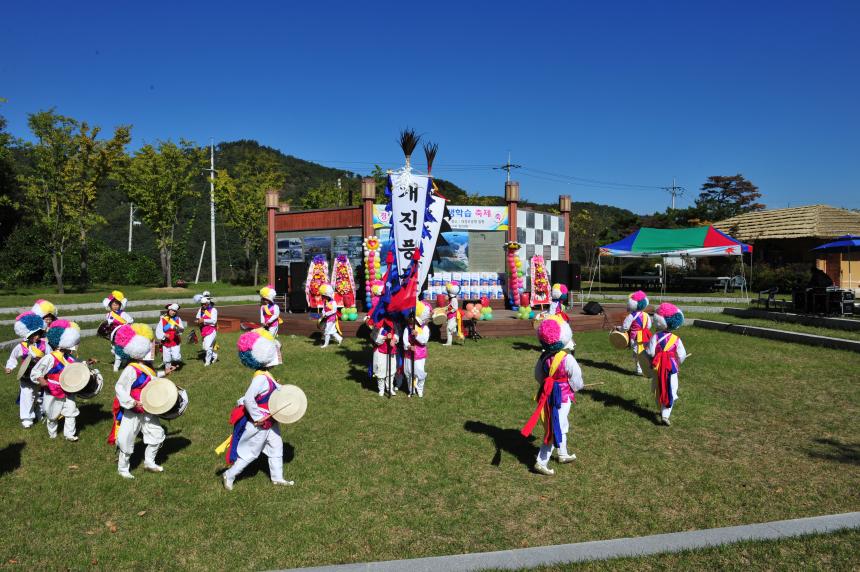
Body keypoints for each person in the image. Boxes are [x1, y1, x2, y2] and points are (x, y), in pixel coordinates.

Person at [220, 328, 294, 490]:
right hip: (259, 423)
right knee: (251, 453)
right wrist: (257, 417)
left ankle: (277, 478)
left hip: (271, 421)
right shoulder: (260, 378)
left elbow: (270, 391)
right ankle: (229, 474)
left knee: (276, 447)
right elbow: (248, 398)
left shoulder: (265, 374)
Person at [521, 315, 583, 476]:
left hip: (547, 395)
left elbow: (538, 375)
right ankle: (541, 461)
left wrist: (546, 384)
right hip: (561, 397)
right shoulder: (568, 358)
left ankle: (562, 454)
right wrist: (575, 388)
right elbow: (576, 377)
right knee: (555, 426)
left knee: (561, 423)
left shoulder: (543, 357)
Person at [30, 320, 86, 441]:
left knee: (71, 411)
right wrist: (40, 379)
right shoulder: (50, 358)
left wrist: (86, 364)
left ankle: (69, 434)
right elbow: (36, 371)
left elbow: (76, 366)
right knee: (52, 414)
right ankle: (52, 434)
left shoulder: (69, 357)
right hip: (52, 389)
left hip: (68, 389)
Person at [646, 303, 688, 426]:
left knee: (658, 387)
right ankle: (665, 414)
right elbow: (682, 355)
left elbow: (650, 352)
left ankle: (661, 409)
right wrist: (677, 363)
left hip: (658, 366)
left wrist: (651, 359)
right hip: (671, 367)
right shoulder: (676, 339)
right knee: (671, 388)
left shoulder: (655, 336)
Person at [5, 311, 48, 428]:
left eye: (38, 333)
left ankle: (41, 413)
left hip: (41, 375)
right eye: (34, 334)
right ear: (27, 334)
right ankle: (27, 418)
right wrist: (10, 367)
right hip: (26, 376)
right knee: (27, 396)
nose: (37, 337)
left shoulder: (44, 344)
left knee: (40, 395)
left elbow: (50, 356)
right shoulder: (20, 347)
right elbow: (13, 358)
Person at [619, 290, 652, 375]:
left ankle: (639, 370)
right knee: (644, 351)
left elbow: (625, 327)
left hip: (635, 336)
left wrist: (619, 329)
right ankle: (646, 367)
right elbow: (649, 326)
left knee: (637, 353)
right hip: (645, 335)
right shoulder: (646, 315)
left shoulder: (631, 316)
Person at [403, 301, 431, 398]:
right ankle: (411, 390)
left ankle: (419, 388)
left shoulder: (425, 328)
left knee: (420, 373)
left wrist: (417, 335)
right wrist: (409, 346)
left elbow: (424, 340)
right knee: (408, 372)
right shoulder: (407, 328)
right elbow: (405, 340)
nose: (412, 321)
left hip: (419, 354)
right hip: (409, 354)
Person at [103, 291, 133, 371]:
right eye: (113, 305)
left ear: (120, 305)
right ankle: (125, 361)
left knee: (118, 351)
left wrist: (124, 329)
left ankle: (116, 368)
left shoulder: (123, 314)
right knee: (113, 350)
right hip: (113, 336)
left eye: (117, 304)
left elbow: (130, 321)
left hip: (122, 336)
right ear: (110, 305)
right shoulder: (108, 315)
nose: (115, 306)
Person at [372, 318, 398, 397]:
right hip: (381, 352)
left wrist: (394, 340)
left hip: (391, 351)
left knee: (391, 370)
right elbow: (374, 337)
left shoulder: (394, 324)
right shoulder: (378, 325)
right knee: (381, 371)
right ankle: (381, 389)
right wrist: (385, 338)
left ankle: (390, 388)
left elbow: (397, 334)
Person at [155, 304, 184, 370]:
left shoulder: (178, 319)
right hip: (166, 341)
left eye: (174, 311)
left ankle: (177, 362)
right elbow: (159, 330)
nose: (173, 312)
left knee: (176, 357)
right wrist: (164, 335)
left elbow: (181, 329)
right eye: (172, 310)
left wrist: (178, 330)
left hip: (175, 340)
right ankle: (168, 369)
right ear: (169, 310)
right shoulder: (163, 319)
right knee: (167, 357)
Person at [195, 294, 219, 366]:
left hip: (211, 329)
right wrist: (198, 321)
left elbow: (214, 321)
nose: (203, 305)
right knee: (205, 347)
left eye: (204, 304)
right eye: (202, 304)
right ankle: (214, 355)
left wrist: (204, 320)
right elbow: (198, 318)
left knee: (207, 347)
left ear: (208, 303)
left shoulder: (213, 310)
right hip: (203, 329)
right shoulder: (201, 310)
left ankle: (207, 362)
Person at [444, 282, 463, 346]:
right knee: (449, 329)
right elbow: (450, 306)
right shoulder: (451, 299)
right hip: (450, 316)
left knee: (449, 329)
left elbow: (455, 308)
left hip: (453, 316)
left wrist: (448, 312)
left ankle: (449, 342)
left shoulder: (454, 299)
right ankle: (454, 330)